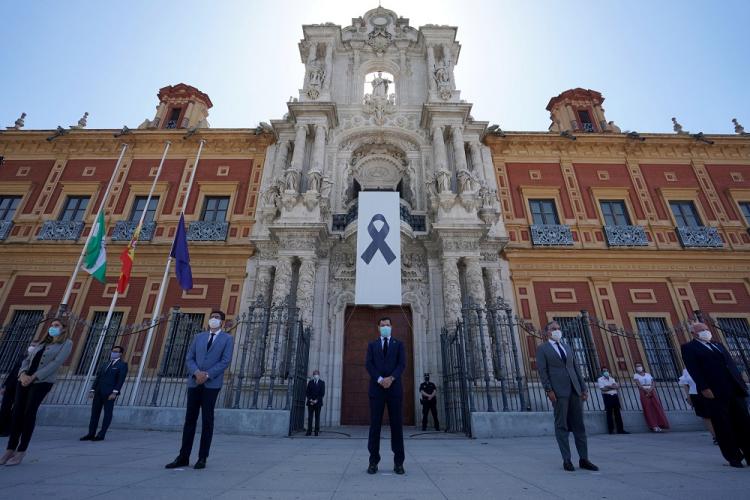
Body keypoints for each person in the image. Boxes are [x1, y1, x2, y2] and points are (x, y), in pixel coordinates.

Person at [165, 310, 234, 470]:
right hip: (195, 382)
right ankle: (183, 456)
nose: (213, 320)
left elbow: (225, 361)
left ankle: (202, 457)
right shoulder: (199, 337)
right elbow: (189, 357)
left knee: (207, 421)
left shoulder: (227, 339)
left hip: (212, 384)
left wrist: (208, 374)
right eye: (212, 317)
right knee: (190, 420)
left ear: (222, 321)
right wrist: (196, 373)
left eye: (217, 318)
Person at [1, 318, 73, 466]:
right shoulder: (42, 342)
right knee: (16, 414)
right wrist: (22, 374)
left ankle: (21, 451)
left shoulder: (67, 343)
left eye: (56, 325)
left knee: (28, 414)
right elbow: (27, 360)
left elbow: (57, 363)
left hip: (41, 381)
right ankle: (9, 449)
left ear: (64, 328)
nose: (52, 327)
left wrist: (34, 376)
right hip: (24, 380)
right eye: (52, 325)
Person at [681, 322, 750, 468]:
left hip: (734, 389)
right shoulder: (689, 348)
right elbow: (694, 369)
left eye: (706, 329)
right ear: (693, 332)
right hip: (714, 391)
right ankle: (733, 456)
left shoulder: (718, 345)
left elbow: (731, 365)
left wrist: (741, 383)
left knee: (744, 422)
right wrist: (704, 387)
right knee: (723, 424)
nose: (706, 332)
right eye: (702, 330)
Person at [536, 321, 598, 472]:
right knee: (561, 426)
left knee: (579, 426)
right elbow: (543, 371)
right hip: (558, 392)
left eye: (558, 328)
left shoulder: (567, 347)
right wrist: (548, 390)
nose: (557, 331)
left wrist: (583, 388)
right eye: (554, 329)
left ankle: (584, 459)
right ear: (547, 332)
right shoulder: (542, 349)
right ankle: (567, 460)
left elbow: (575, 367)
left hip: (575, 390)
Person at [365, 317, 406, 475]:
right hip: (377, 390)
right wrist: (381, 380)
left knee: (397, 426)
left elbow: (401, 364)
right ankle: (373, 461)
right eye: (382, 325)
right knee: (375, 427)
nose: (385, 327)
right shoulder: (372, 345)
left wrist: (391, 378)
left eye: (388, 325)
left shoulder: (399, 344)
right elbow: (369, 364)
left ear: (392, 326)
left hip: (394, 390)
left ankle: (399, 463)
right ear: (378, 328)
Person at [81, 345, 128, 442]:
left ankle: (101, 434)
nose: (113, 353)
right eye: (112, 351)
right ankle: (91, 433)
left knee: (107, 414)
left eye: (116, 351)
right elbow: (98, 378)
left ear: (120, 354)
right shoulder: (105, 364)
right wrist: (92, 390)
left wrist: (115, 392)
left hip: (109, 393)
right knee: (94, 413)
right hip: (98, 392)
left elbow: (120, 380)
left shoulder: (122, 365)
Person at [0, 342, 37, 437]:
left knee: (16, 408)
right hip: (11, 385)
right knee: (4, 407)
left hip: (22, 386)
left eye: (34, 346)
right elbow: (13, 371)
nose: (31, 347)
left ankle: (8, 429)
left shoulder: (36, 359)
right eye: (31, 345)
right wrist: (4, 386)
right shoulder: (23, 356)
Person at [677, 367, 716, 444]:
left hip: (710, 393)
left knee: (716, 414)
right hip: (695, 394)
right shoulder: (686, 371)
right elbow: (686, 385)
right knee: (706, 416)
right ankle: (715, 437)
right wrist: (688, 397)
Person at [633, 362, 670, 432]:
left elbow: (653, 382)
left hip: (651, 390)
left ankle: (660, 424)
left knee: (656, 406)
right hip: (643, 391)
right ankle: (653, 425)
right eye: (637, 366)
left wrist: (651, 389)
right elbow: (639, 385)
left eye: (639, 365)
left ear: (642, 366)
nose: (638, 367)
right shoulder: (636, 375)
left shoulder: (648, 374)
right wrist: (646, 391)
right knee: (648, 408)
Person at [596, 367, 628, 434]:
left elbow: (616, 387)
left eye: (607, 370)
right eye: (604, 371)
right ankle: (611, 430)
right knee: (609, 413)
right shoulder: (600, 379)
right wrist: (611, 387)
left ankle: (620, 429)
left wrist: (608, 386)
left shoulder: (612, 379)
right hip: (607, 396)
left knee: (618, 413)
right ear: (602, 372)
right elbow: (603, 389)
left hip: (615, 396)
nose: (606, 372)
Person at [305, 369, 325, 436]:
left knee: (317, 417)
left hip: (318, 403)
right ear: (313, 375)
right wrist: (310, 400)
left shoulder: (322, 383)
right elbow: (307, 392)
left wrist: (316, 400)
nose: (315, 375)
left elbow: (322, 393)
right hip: (310, 402)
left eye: (316, 374)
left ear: (319, 375)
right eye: (314, 374)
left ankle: (316, 431)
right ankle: (309, 431)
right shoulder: (310, 382)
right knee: (310, 417)